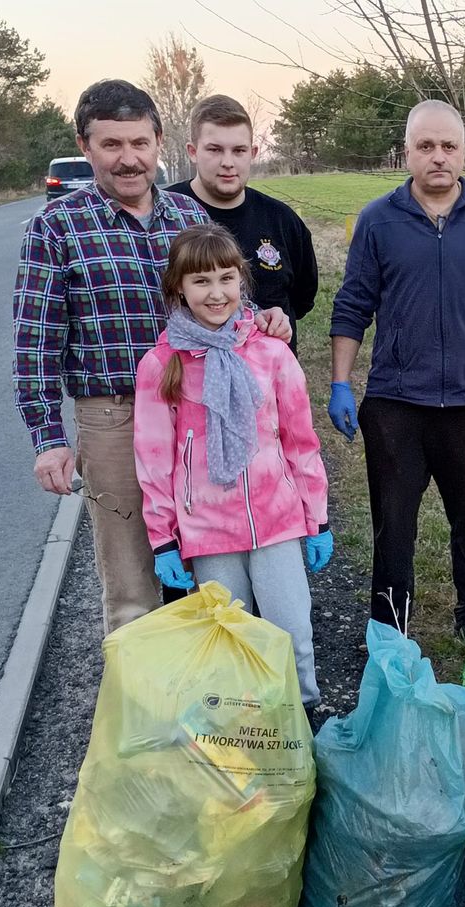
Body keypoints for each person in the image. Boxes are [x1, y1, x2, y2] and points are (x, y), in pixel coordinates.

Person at [13, 79, 290, 635]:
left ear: (159, 141)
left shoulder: (189, 216)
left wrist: (262, 320)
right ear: (85, 145)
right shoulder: (57, 228)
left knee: (212, 560)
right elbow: (35, 343)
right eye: (111, 144)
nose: (129, 159)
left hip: (200, 406)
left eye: (139, 143)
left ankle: (220, 703)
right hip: (113, 414)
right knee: (133, 583)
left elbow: (228, 300)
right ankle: (142, 714)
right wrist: (47, 439)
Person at [328, 99, 465, 640]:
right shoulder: (378, 220)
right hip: (396, 404)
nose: (438, 157)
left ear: (464, 153)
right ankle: (389, 627)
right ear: (407, 152)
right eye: (426, 146)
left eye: (449, 146)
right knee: (393, 526)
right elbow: (353, 303)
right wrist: (339, 383)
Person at [133, 223, 332, 707]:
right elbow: (155, 461)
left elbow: (300, 441)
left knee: (289, 629)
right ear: (178, 286)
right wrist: (164, 539)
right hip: (209, 529)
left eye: (226, 279)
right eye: (201, 281)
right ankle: (247, 733)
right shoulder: (163, 364)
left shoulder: (270, 354)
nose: (216, 293)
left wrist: (316, 518)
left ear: (241, 282)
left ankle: (302, 719)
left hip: (277, 520)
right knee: (232, 638)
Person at [168, 94, 318, 356]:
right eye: (215, 150)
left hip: (270, 383)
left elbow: (301, 300)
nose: (228, 162)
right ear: (193, 151)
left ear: (253, 153)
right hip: (188, 383)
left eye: (239, 150)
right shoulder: (168, 214)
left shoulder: (282, 220)